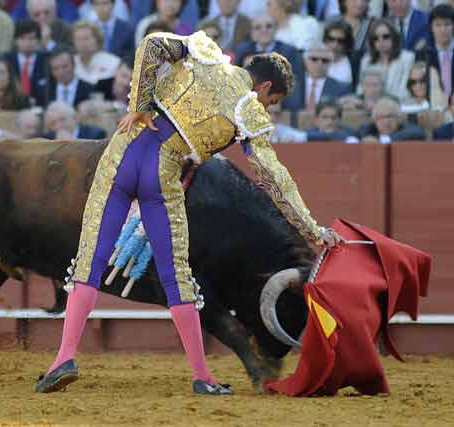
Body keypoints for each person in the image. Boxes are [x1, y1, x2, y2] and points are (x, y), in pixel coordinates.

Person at [33, 31, 344, 396]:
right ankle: (202, 376)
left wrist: (141, 104)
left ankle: (64, 359)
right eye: (272, 100)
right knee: (177, 277)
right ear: (266, 86)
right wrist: (312, 228)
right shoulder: (251, 111)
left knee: (90, 261)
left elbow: (152, 44)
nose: (270, 107)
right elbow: (274, 176)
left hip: (123, 154)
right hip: (161, 174)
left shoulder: (205, 52)